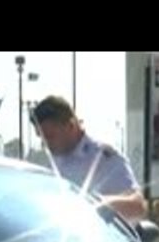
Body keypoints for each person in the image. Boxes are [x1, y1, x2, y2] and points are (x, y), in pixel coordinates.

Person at [31, 96, 147, 224]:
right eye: (40, 137)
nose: (45, 143)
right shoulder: (42, 163)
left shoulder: (102, 158)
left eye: (50, 136)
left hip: (96, 241)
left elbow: (137, 206)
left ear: (71, 126)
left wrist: (94, 205)